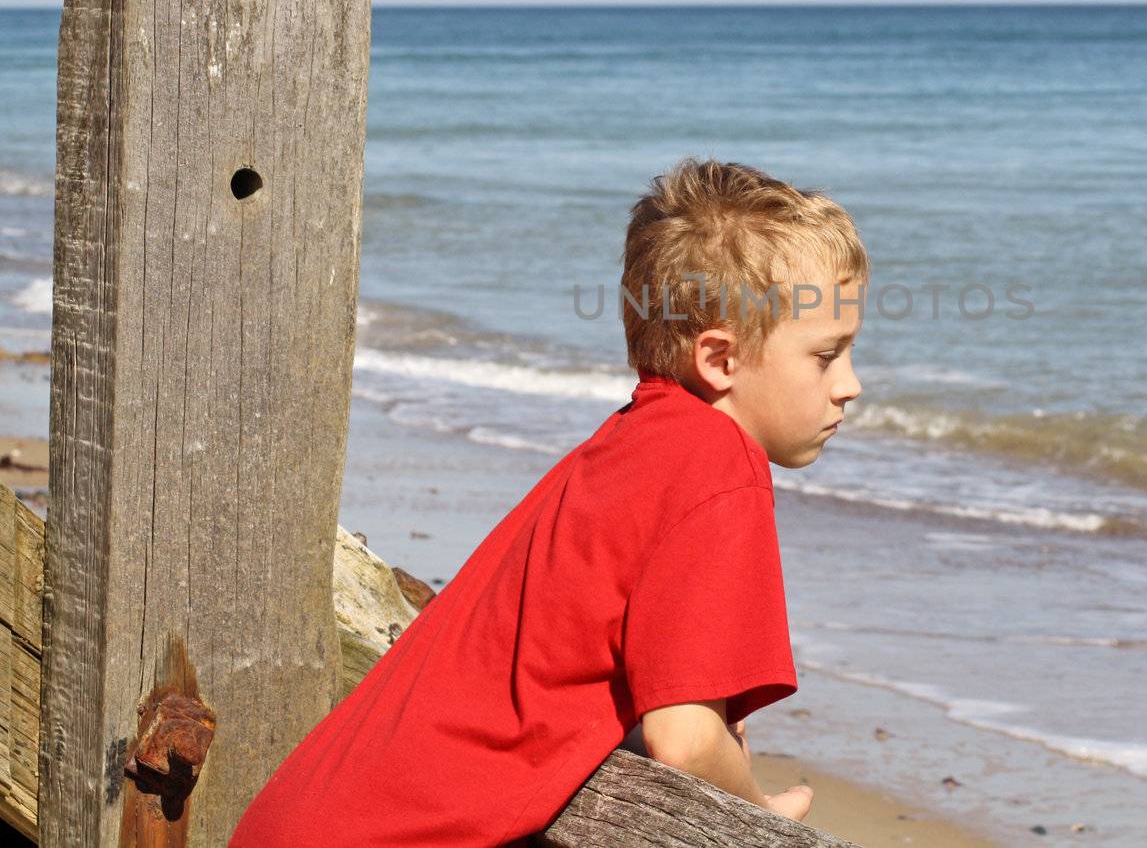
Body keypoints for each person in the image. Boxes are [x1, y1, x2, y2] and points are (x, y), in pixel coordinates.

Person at [231, 157, 868, 845]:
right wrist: (761, 818)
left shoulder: (629, 447)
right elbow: (685, 740)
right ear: (720, 360)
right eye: (826, 355)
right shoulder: (718, 463)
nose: (850, 385)